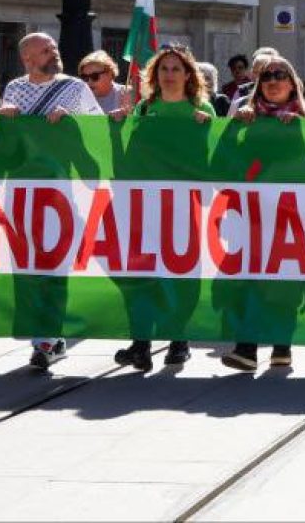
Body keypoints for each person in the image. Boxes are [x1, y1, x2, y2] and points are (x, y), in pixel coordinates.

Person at [0, 32, 105, 369]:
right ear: (28, 59)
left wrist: (72, 121)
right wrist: (6, 119)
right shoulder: (14, 88)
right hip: (23, 191)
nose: (54, 52)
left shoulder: (75, 87)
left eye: (54, 47)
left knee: (55, 264)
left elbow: (98, 132)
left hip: (63, 191)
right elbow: (7, 143)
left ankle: (49, 335)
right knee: (28, 265)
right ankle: (42, 335)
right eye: (45, 50)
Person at [112, 46, 216, 371]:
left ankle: (178, 339)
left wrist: (208, 127)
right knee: (141, 271)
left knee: (182, 272)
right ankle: (141, 342)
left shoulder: (202, 109)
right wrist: (117, 128)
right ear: (154, 75)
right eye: (163, 69)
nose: (169, 74)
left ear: (188, 75)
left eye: (175, 69)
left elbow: (214, 159)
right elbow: (127, 160)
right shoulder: (143, 109)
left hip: (185, 206)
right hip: (145, 205)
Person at [222, 53, 305, 372]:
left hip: (290, 214)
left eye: (281, 75)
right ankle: (246, 348)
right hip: (250, 213)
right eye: (268, 77)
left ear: (292, 83)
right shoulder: (245, 115)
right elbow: (222, 158)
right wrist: (235, 127)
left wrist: (304, 129)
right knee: (249, 278)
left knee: (284, 280)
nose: (273, 81)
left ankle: (281, 346)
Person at [78, 50, 132, 116]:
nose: (89, 82)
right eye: (85, 77)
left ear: (110, 73)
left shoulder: (127, 94)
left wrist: (128, 114)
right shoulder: (77, 98)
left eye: (94, 76)